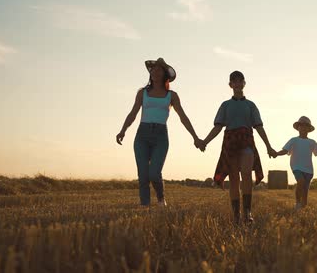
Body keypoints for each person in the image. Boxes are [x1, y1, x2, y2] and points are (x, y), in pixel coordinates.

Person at [116, 58, 204, 206]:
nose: (155, 72)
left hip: (160, 136)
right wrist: (123, 130)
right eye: (153, 70)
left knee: (154, 174)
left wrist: (195, 137)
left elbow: (183, 117)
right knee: (143, 175)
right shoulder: (142, 93)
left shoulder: (172, 96)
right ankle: (145, 206)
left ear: (165, 74)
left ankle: (161, 198)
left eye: (159, 70)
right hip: (142, 135)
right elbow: (133, 114)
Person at [200, 70, 277, 224]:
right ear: (230, 85)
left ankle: (247, 213)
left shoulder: (251, 105)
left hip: (247, 141)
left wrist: (269, 146)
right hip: (230, 142)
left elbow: (259, 127)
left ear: (244, 83)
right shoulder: (225, 105)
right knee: (234, 178)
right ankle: (236, 215)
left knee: (247, 174)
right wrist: (205, 141)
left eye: (240, 80)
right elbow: (218, 127)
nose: (237, 83)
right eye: (234, 81)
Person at [274, 116, 317, 210]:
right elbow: (285, 151)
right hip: (296, 167)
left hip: (309, 169)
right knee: (300, 182)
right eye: (301, 125)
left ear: (309, 129)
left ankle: (303, 206)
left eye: (305, 126)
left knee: (305, 192)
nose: (303, 127)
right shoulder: (293, 140)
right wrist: (276, 154)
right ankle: (297, 203)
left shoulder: (312, 142)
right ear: (298, 128)